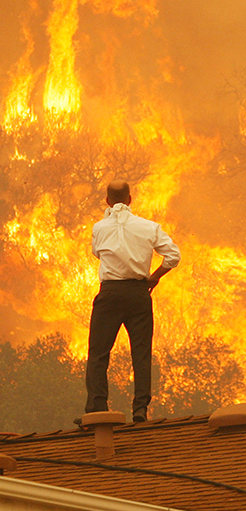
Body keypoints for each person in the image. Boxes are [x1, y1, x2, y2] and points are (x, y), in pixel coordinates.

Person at [85, 180, 181, 423]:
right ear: (130, 199)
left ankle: (97, 408)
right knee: (141, 354)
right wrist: (154, 277)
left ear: (107, 201)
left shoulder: (99, 228)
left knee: (98, 353)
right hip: (139, 294)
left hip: (110, 293)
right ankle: (140, 410)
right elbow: (173, 256)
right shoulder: (149, 227)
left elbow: (97, 253)